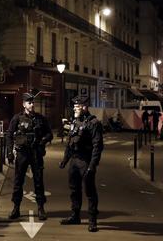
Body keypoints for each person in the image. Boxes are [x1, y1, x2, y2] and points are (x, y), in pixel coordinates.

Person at [59, 95, 104, 232]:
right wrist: (65, 160)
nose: (74, 109)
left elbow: (98, 146)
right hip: (74, 160)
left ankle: (92, 220)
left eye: (77, 106)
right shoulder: (75, 121)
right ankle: (75, 215)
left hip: (86, 160)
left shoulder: (94, 123)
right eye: (74, 106)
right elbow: (70, 143)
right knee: (74, 189)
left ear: (84, 107)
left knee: (89, 191)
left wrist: (92, 165)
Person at [6, 92, 53, 221]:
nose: (32, 105)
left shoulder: (40, 118)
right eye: (29, 103)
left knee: (38, 181)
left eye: (33, 103)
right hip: (22, 153)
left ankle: (40, 208)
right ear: (24, 104)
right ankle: (16, 208)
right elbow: (9, 135)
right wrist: (9, 152)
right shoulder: (17, 118)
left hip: (36, 153)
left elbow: (49, 134)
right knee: (18, 181)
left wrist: (43, 141)